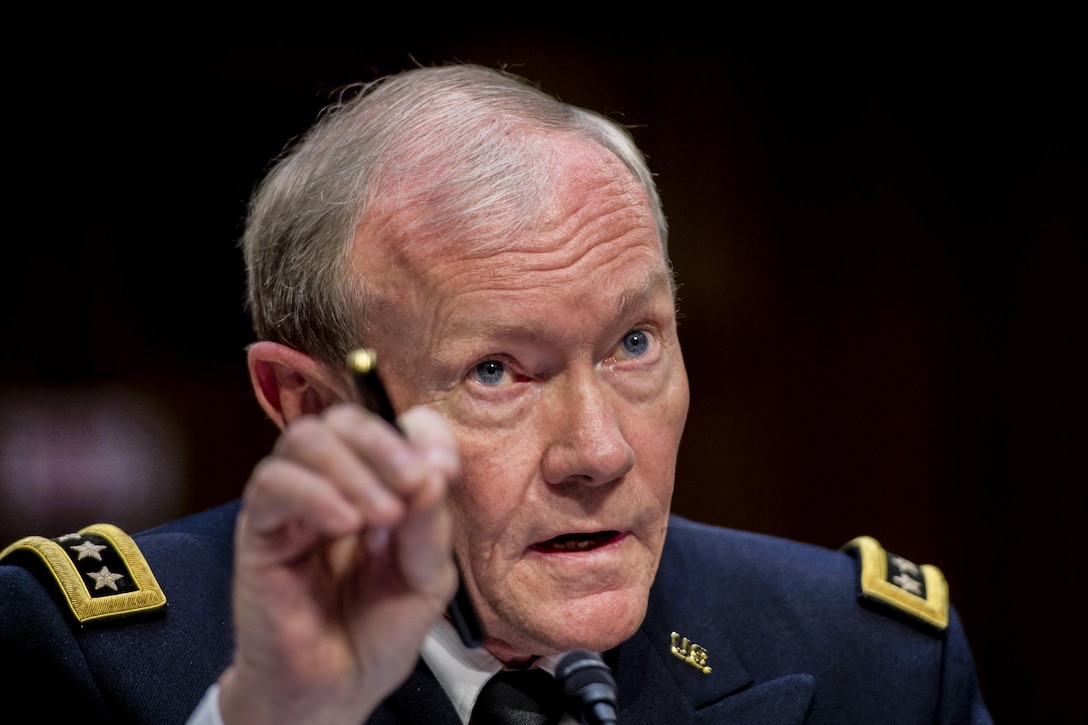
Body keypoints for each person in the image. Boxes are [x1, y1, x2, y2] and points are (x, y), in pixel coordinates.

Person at [0, 62, 992, 724]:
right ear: (306, 407)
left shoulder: (878, 664)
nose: (597, 451)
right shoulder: (95, 661)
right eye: (494, 372)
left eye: (633, 342)